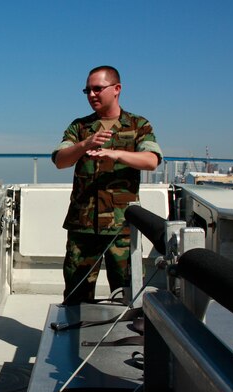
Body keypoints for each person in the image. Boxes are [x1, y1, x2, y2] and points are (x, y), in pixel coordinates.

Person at [52, 66, 163, 305]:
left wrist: (116, 154)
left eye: (97, 89)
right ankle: (73, 341)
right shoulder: (80, 127)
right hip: (83, 228)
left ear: (116, 89)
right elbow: (60, 161)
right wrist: (85, 144)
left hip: (122, 227)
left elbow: (151, 161)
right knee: (75, 296)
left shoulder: (138, 125)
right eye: (88, 90)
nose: (92, 94)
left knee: (128, 297)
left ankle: (127, 341)